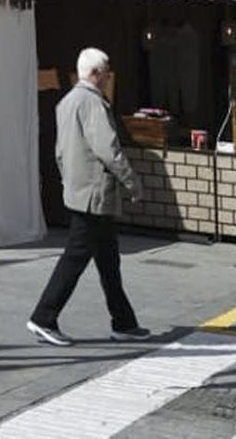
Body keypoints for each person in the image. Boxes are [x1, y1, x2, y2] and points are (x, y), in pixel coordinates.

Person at [28, 47, 151, 347]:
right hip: (95, 192)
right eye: (106, 73)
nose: (109, 77)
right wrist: (132, 182)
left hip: (79, 189)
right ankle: (44, 317)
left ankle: (124, 321)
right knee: (76, 256)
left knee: (108, 259)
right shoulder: (94, 103)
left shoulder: (67, 102)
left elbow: (60, 151)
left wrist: (68, 180)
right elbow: (109, 150)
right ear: (95, 74)